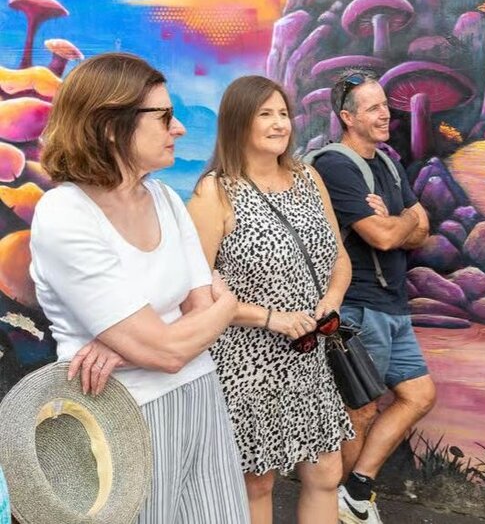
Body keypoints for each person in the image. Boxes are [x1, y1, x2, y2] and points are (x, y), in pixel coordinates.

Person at [29, 53, 249, 523]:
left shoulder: (165, 198)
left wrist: (131, 345)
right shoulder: (66, 214)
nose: (180, 129)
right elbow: (171, 347)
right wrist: (226, 305)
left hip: (200, 396)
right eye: (165, 117)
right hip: (121, 418)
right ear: (111, 125)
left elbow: (197, 312)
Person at [187, 75, 354, 524]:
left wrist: (332, 300)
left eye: (283, 113)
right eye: (266, 114)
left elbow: (339, 256)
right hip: (245, 363)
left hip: (307, 355)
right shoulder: (214, 191)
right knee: (257, 481)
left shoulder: (307, 176)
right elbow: (194, 290)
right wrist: (269, 318)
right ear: (238, 123)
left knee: (326, 470)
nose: (280, 123)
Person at [310, 69, 435, 524]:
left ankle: (355, 492)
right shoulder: (335, 165)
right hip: (359, 307)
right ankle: (329, 508)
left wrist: (398, 223)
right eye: (374, 108)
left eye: (386, 105)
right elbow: (384, 236)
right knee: (359, 412)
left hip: (392, 306)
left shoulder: (387, 162)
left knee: (419, 395)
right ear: (347, 117)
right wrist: (399, 224)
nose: (386, 114)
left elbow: (423, 228)